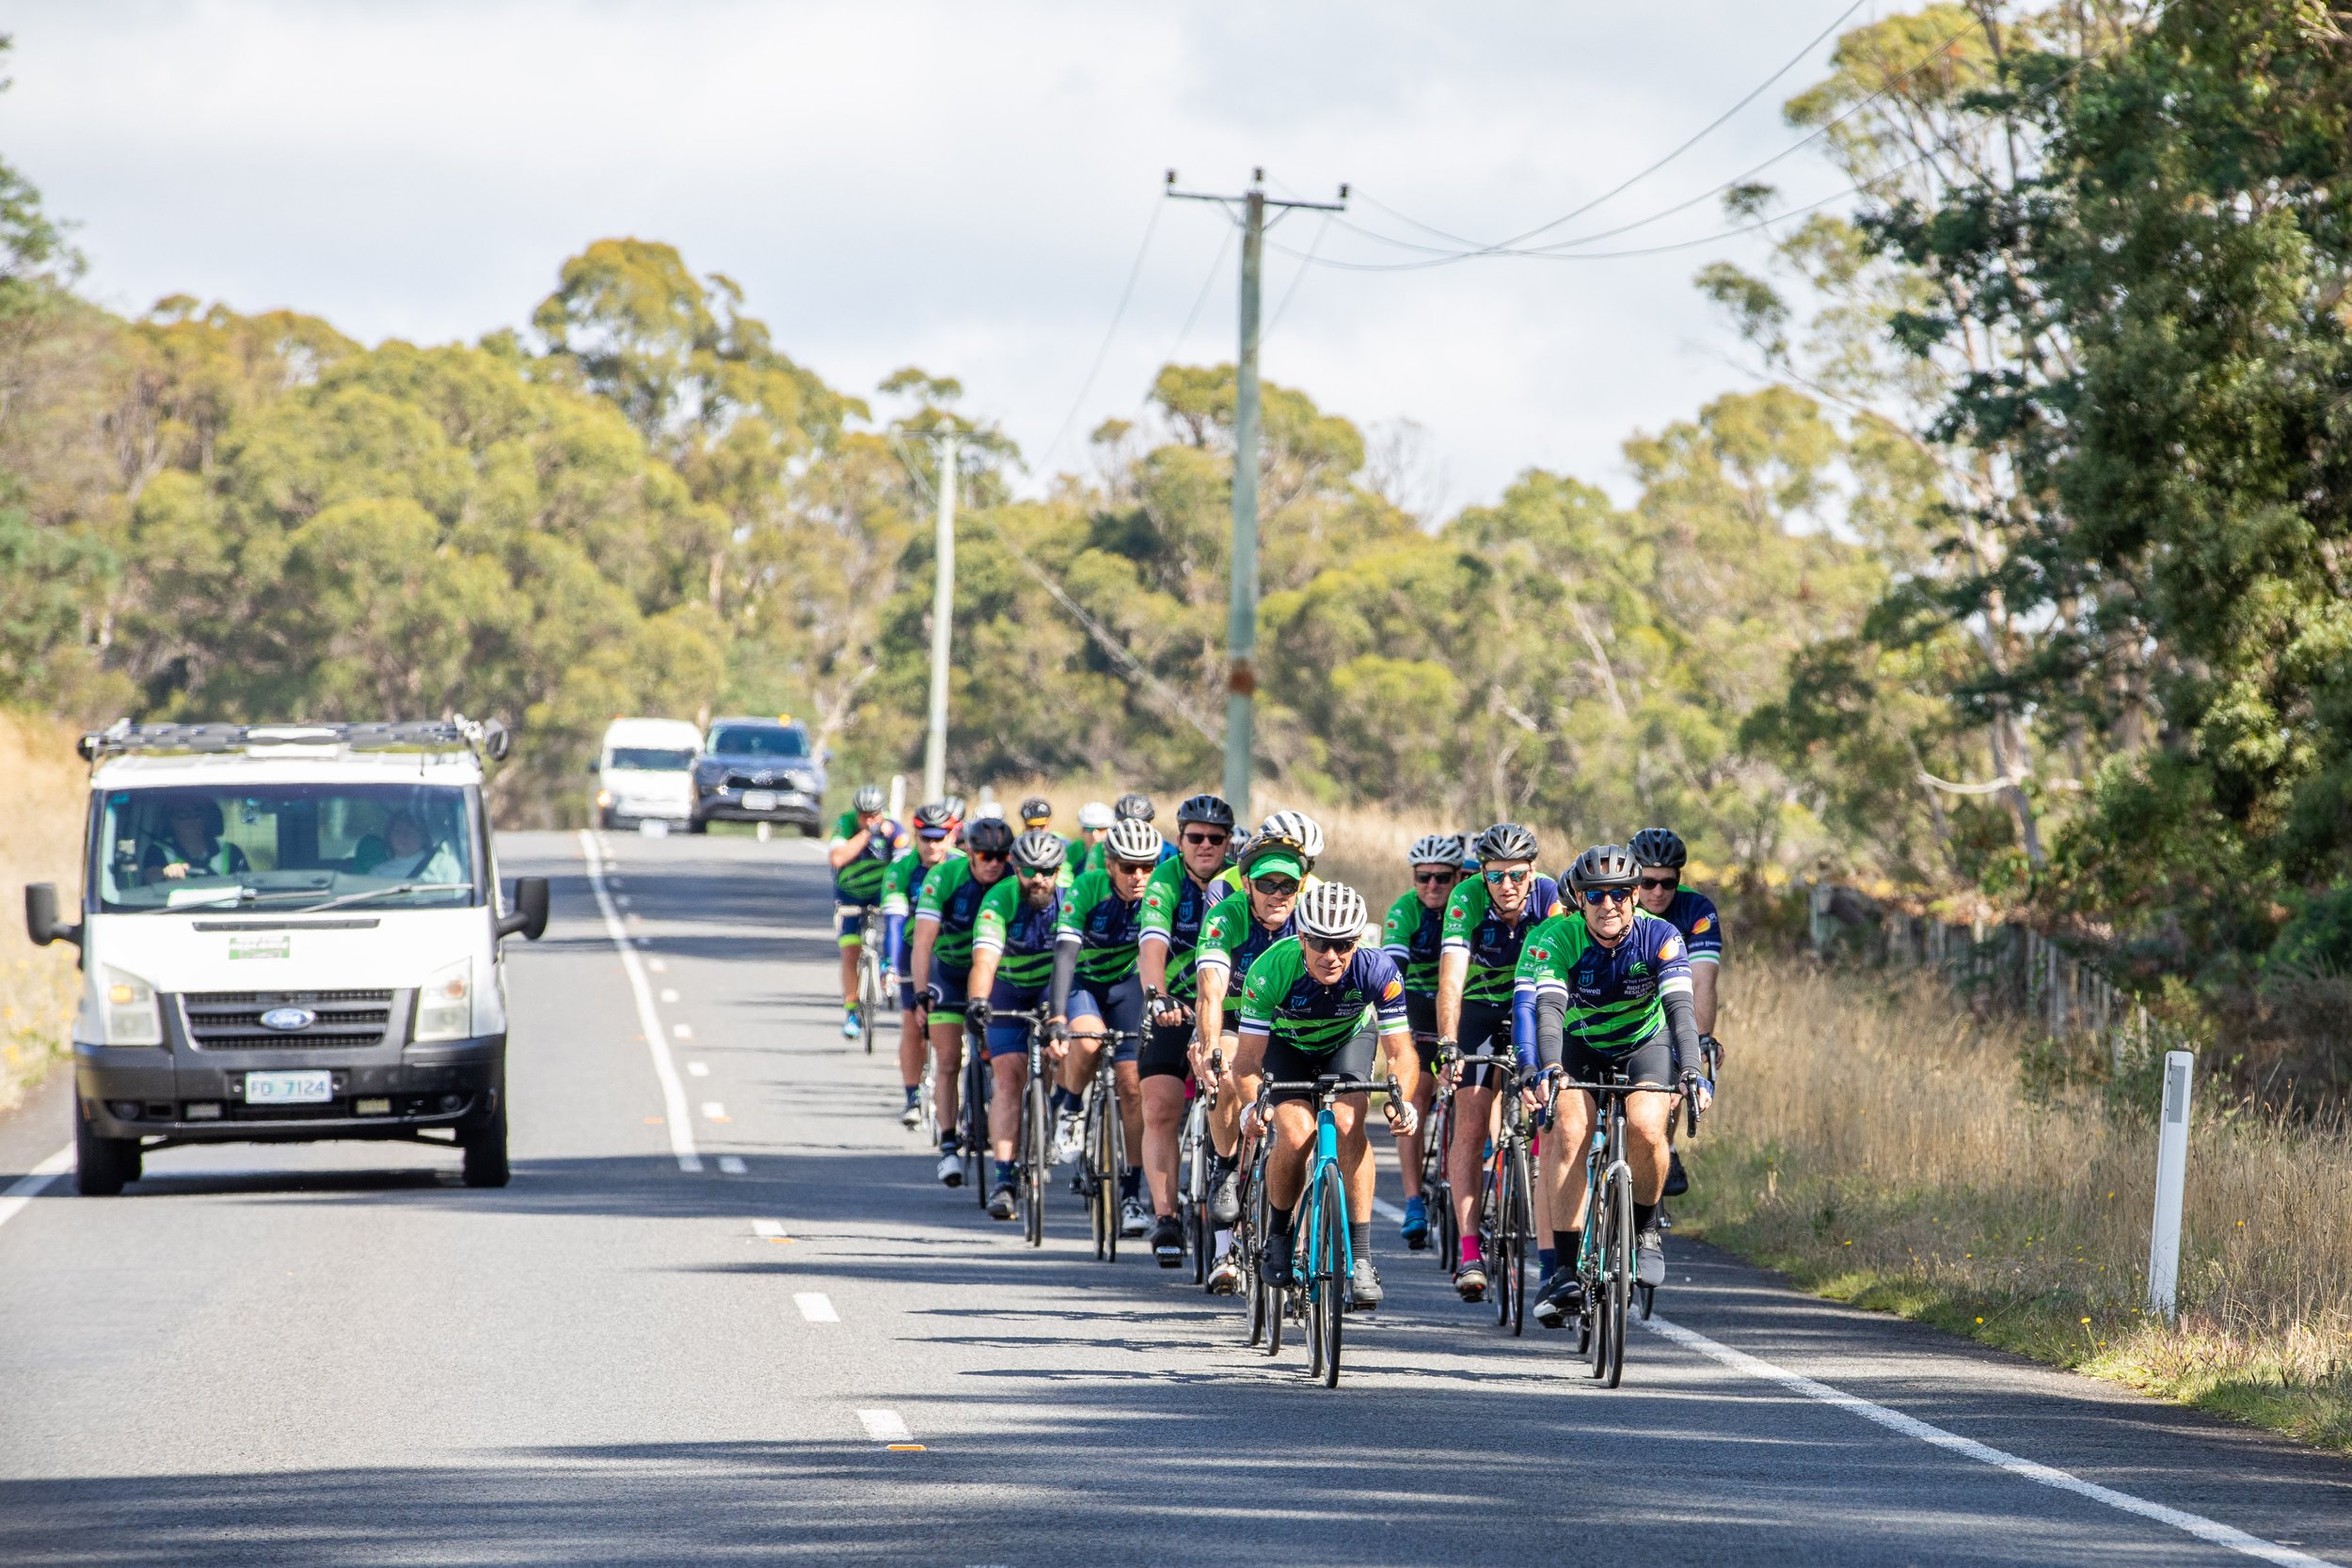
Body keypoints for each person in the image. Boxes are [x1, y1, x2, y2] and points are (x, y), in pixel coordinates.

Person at [1516, 843, 1711, 1326]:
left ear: (1635, 896)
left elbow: (1681, 1013)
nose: (1610, 906)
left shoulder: (1661, 937)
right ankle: (1563, 1267)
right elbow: (1548, 1013)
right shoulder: (1557, 938)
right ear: (1580, 900)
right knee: (1570, 1128)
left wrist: (1691, 1069)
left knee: (1647, 1128)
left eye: (1621, 894)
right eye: (1597, 896)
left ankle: (1645, 1230)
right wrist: (1552, 1067)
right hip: (1579, 1045)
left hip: (1645, 1042)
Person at [1232, 882, 1422, 1310]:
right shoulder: (1269, 971)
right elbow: (1245, 1063)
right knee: (1296, 1135)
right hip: (1288, 1047)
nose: (1331, 955)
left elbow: (1401, 1053)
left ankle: (1362, 1258)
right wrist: (1250, 1106)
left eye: (1343, 944)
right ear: (1301, 937)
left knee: (1352, 1126)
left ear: (1358, 941)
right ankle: (1279, 1235)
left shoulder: (1379, 971)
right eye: (1319, 942)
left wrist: (1402, 1100)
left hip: (1346, 1043)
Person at [1434, 822, 1563, 1301]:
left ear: (1533, 871)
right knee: (1469, 1120)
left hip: (1537, 1003)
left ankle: (1553, 1246)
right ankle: (1470, 1251)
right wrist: (1448, 1042)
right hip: (1481, 1008)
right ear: (1481, 875)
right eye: (1495, 876)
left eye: (1517, 874)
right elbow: (1450, 981)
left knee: (1554, 1119)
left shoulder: (1550, 896)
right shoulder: (1465, 900)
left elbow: (1559, 969)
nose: (1507, 885)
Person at [1189, 830, 1310, 1291]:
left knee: (1302, 1132)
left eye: (1288, 885)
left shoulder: (1309, 920)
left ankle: (1299, 1241)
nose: (1278, 895)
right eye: (1267, 885)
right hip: (1239, 1020)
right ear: (1247, 886)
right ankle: (1224, 1168)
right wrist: (1211, 1043)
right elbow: (1211, 988)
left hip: (1292, 1025)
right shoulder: (1227, 916)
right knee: (1226, 1071)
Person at [1048, 816, 1162, 1238]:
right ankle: (1073, 1106)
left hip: (1128, 986)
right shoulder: (1086, 888)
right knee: (1090, 1039)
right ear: (1110, 863)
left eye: (1147, 866)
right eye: (1129, 867)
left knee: (1133, 1087)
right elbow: (1064, 952)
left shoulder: (1157, 895)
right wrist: (1058, 1016)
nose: (1139, 876)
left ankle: (1132, 1194)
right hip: (1086, 982)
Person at [1135, 792, 1235, 1265]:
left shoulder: (1242, 881)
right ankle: (1167, 1216)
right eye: (1195, 837)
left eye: (1216, 838)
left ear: (1229, 843)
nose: (1206, 846)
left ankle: (1234, 1213)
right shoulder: (1164, 880)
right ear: (1180, 840)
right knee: (1159, 1107)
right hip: (1176, 1006)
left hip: (1232, 1007)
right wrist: (1158, 999)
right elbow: (1152, 945)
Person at [964, 830, 1069, 1220]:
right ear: (1016, 868)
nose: (1038, 878)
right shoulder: (1000, 898)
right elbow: (985, 960)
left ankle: (1057, 1110)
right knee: (1008, 1079)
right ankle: (1004, 1178)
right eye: (1029, 870)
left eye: (1047, 870)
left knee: (1060, 1053)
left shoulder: (1068, 898)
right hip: (1007, 990)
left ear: (1058, 871)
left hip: (1050, 989)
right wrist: (978, 1002)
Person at [911, 816, 1017, 1186]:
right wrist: (921, 994)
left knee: (1008, 1056)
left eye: (1001, 856)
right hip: (950, 972)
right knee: (950, 1059)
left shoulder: (1013, 879)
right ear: (969, 852)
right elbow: (923, 942)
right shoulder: (943, 878)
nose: (993, 863)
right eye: (985, 855)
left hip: (996, 975)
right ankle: (949, 1146)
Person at [1379, 832, 1468, 1250]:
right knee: (1415, 1099)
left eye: (1442, 878)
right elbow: (1392, 969)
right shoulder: (1405, 910)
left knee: (1479, 1094)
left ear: (1458, 877)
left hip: (1460, 1004)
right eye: (1423, 877)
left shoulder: (1468, 906)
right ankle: (1414, 1199)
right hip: (1416, 1004)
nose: (1431, 886)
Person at [1629, 827, 1724, 1198]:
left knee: (1676, 1072)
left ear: (1678, 880)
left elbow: (1703, 982)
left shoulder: (1697, 910)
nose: (1656, 892)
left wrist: (1699, 1041)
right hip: (1621, 1005)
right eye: (1648, 882)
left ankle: (1663, 1148)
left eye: (1666, 883)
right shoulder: (1617, 902)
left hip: (1669, 1009)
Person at [883, 801, 960, 1129]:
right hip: (914, 950)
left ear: (951, 836)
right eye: (926, 838)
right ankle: (912, 1096)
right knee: (913, 1025)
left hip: (954, 953)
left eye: (940, 837)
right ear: (915, 835)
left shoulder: (963, 866)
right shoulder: (902, 868)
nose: (933, 845)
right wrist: (890, 965)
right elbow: (895, 924)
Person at [828, 784, 910, 1039]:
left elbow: (905, 866)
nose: (870, 819)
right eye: (864, 815)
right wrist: (865, 834)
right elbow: (838, 858)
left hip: (881, 893)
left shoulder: (894, 830)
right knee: (850, 952)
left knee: (895, 920)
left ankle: (888, 964)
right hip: (850, 894)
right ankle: (852, 1011)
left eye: (875, 814)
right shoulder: (846, 825)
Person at [142, 797, 249, 883]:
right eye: (182, 814)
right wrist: (165, 874)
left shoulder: (231, 851)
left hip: (227, 910)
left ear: (207, 818)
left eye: (197, 813)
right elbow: (151, 877)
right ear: (170, 820)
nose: (191, 819)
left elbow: (247, 887)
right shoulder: (157, 850)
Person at [1113, 791, 1180, 863]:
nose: (1133, 828)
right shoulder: (1107, 848)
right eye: (1126, 823)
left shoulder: (1168, 851)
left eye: (1139, 824)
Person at [1066, 800, 1115, 879]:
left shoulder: (1116, 854)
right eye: (1089, 829)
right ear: (1081, 832)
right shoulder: (1072, 851)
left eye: (1101, 830)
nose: (1095, 836)